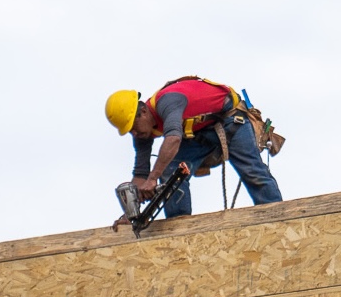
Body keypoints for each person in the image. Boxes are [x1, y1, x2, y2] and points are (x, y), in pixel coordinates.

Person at [105, 77, 282, 219]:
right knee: (170, 171)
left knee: (252, 172)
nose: (134, 133)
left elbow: (173, 139)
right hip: (201, 132)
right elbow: (140, 174)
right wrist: (131, 213)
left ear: (143, 112)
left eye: (133, 127)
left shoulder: (168, 102)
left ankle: (277, 216)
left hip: (231, 121)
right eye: (129, 131)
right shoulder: (142, 135)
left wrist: (152, 179)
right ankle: (178, 224)